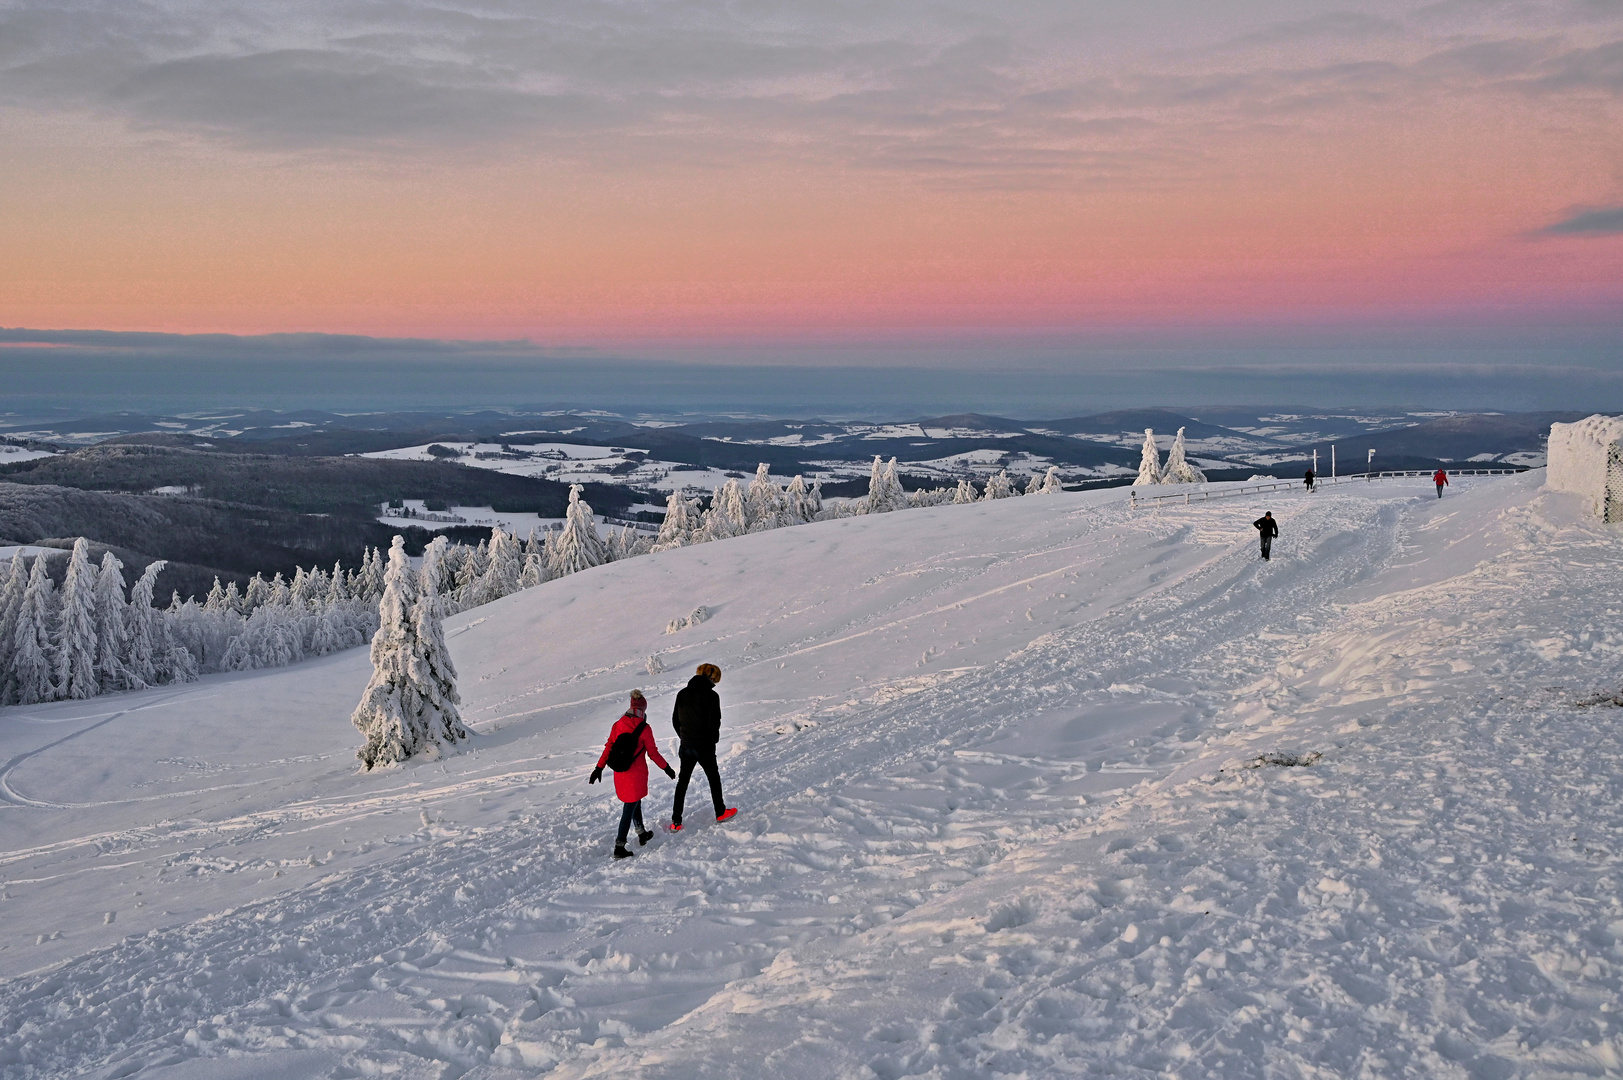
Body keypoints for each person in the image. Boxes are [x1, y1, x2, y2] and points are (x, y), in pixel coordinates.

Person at [591, 689, 675, 859]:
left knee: (634, 802)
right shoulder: (644, 728)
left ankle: (641, 832)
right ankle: (619, 846)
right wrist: (667, 768)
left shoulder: (618, 724)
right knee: (629, 808)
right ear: (643, 710)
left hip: (621, 773)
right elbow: (653, 753)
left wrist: (598, 768)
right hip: (636, 775)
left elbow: (608, 747)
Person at [670, 663, 736, 830]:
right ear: (711, 678)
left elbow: (675, 721)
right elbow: (714, 722)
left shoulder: (682, 694)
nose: (716, 683)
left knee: (682, 782)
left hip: (686, 746)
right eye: (716, 680)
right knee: (713, 779)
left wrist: (684, 737)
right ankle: (720, 812)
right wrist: (712, 740)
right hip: (704, 746)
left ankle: (676, 822)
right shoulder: (711, 696)